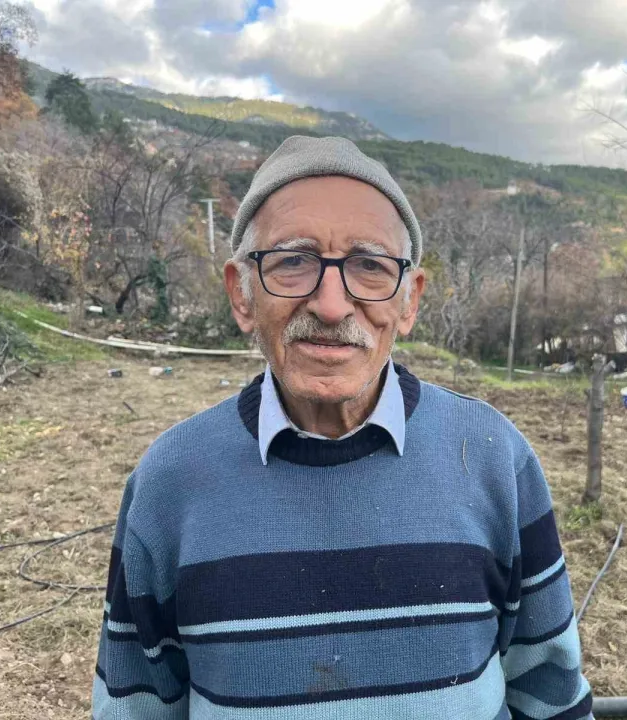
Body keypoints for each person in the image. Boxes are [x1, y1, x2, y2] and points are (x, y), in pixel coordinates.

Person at [92, 135, 594, 720]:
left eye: (370, 266)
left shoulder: (493, 457)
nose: (331, 306)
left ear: (409, 301)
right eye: (293, 262)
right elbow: (134, 707)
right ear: (241, 294)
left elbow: (551, 694)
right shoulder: (170, 480)